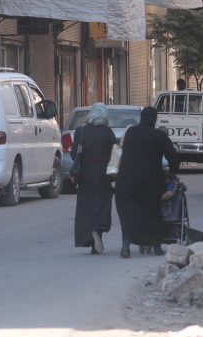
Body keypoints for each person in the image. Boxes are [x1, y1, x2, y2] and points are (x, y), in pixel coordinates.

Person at [115, 106, 179, 258]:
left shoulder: (131, 132)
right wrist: (173, 171)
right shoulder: (159, 136)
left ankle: (125, 245)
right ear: (155, 119)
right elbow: (173, 157)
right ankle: (156, 245)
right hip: (150, 181)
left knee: (128, 212)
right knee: (153, 212)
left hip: (126, 179)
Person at [72, 103, 117, 254]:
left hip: (85, 176)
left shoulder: (81, 131)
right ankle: (97, 230)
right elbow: (114, 155)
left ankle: (91, 233)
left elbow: (74, 155)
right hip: (104, 177)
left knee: (86, 207)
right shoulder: (108, 133)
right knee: (102, 205)